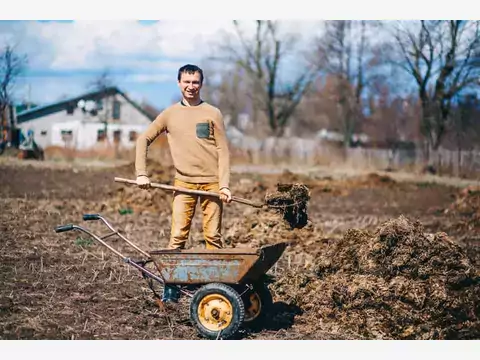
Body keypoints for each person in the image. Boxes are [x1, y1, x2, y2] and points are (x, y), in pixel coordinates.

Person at [135, 64, 232, 302]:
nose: (191, 86)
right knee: (178, 236)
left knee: (213, 238)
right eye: (187, 82)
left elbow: (223, 150)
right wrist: (141, 173)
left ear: (201, 84)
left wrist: (225, 185)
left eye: (195, 82)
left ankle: (215, 288)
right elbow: (143, 139)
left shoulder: (212, 112)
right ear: (179, 83)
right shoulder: (169, 114)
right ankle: (172, 288)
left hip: (212, 184)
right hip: (183, 184)